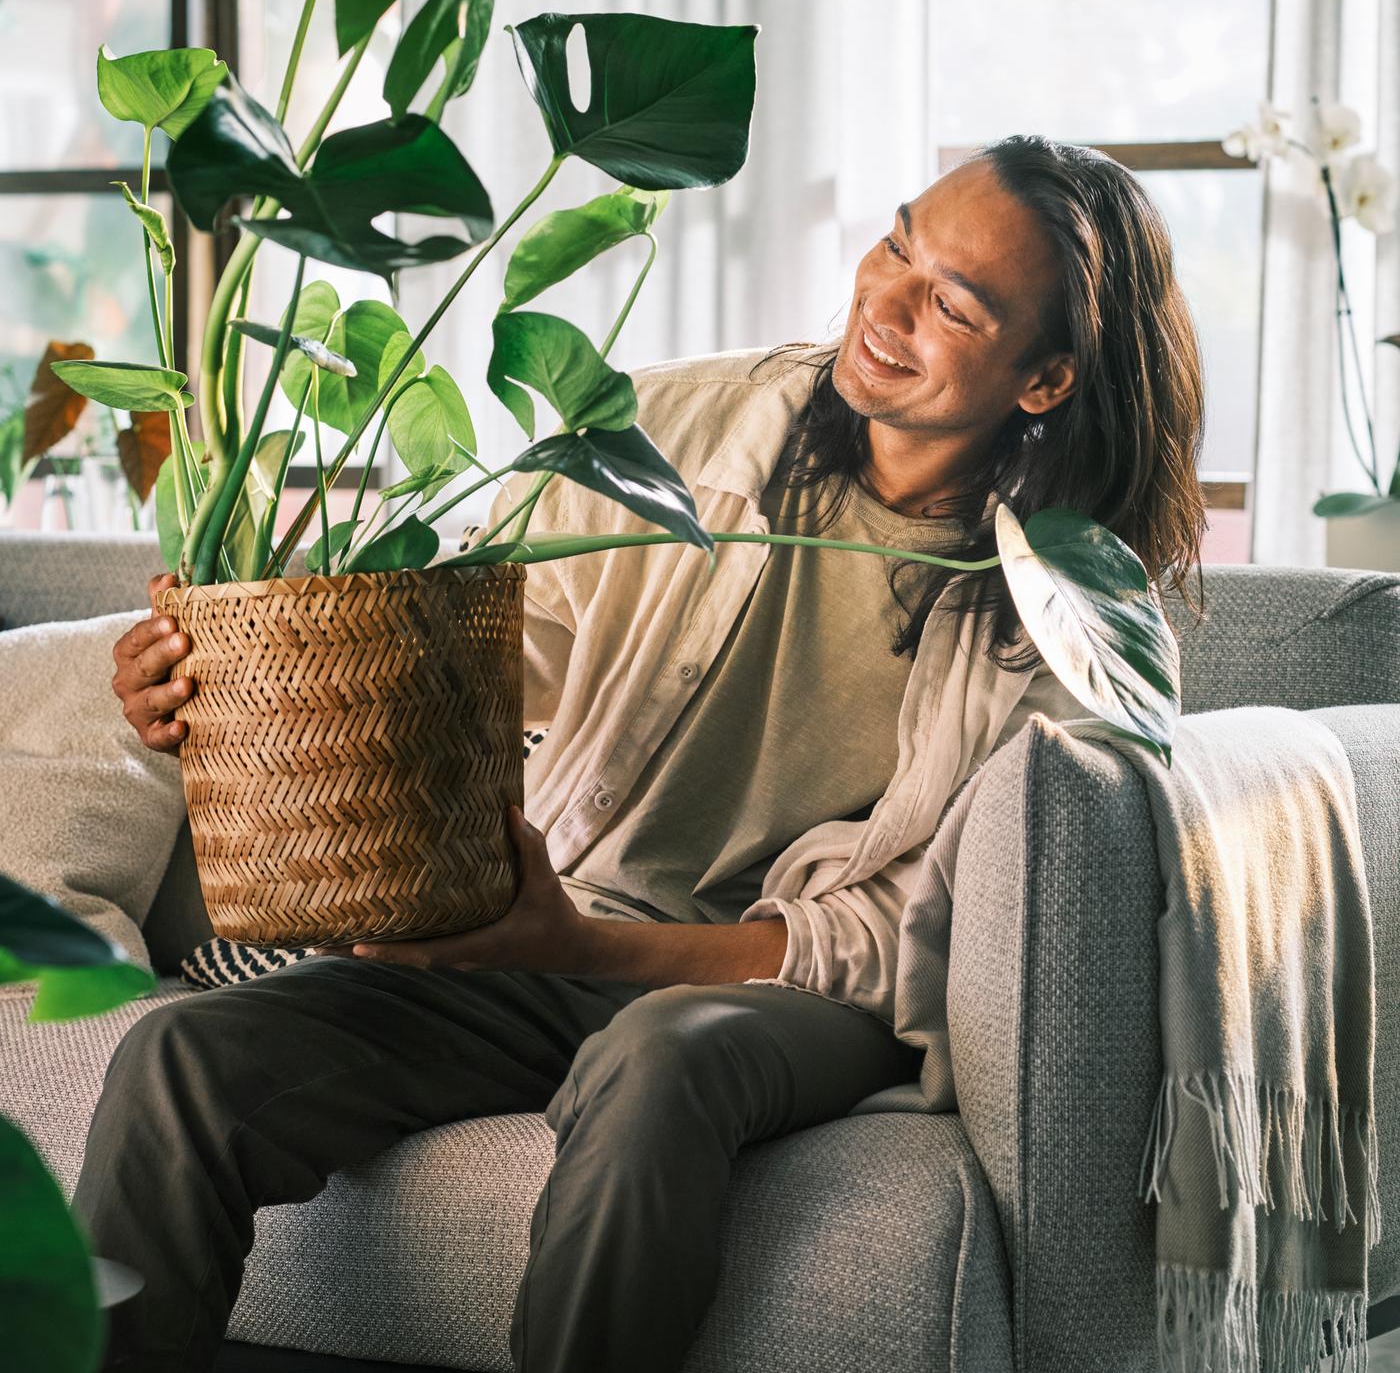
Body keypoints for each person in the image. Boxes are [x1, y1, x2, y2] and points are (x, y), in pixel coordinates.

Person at [78, 134, 1207, 1372]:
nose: (885, 304)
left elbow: (909, 947)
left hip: (798, 995)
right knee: (181, 1055)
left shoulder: (1063, 621)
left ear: (1043, 380)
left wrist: (585, 945)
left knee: (661, 1055)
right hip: (560, 928)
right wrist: (227, 688)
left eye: (951, 304)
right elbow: (485, 659)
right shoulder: (669, 428)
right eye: (896, 244)